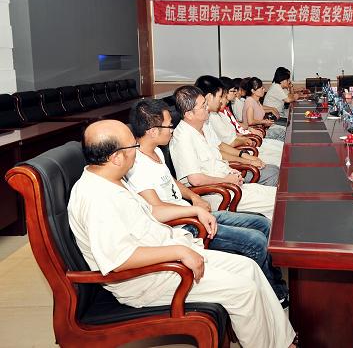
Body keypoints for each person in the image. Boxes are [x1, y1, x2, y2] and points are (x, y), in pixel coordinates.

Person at [68, 119, 296, 348]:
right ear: (116, 157)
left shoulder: (109, 179)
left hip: (169, 255)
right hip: (149, 279)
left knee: (249, 268)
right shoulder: (97, 199)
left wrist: (195, 209)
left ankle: (283, 342)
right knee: (244, 290)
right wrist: (179, 251)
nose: (137, 150)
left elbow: (151, 211)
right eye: (133, 146)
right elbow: (120, 259)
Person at [126, 99, 289, 305]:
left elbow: (172, 182)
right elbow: (155, 209)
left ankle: (276, 286)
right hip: (183, 225)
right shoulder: (137, 165)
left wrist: (194, 197)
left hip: (191, 212)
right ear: (152, 131)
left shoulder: (156, 151)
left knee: (262, 223)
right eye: (168, 126)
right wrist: (193, 210)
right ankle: (274, 295)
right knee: (255, 241)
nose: (172, 130)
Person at [169, 85, 277, 218]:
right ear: (189, 114)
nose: (207, 108)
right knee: (276, 203)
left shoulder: (204, 125)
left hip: (229, 183)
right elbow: (196, 180)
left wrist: (232, 172)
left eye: (206, 104)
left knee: (277, 194)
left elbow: (218, 152)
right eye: (203, 106)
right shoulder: (182, 138)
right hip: (215, 193)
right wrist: (226, 179)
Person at [194, 75, 279, 185]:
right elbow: (197, 179)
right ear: (209, 97)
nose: (221, 101)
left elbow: (219, 146)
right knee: (275, 171)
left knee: (275, 167)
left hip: (227, 168)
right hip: (223, 179)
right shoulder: (198, 126)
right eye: (221, 96)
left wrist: (245, 157)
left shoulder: (206, 122)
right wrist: (246, 160)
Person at [207, 76, 283, 167]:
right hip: (243, 147)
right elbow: (229, 142)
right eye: (233, 91)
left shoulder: (224, 111)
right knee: (279, 156)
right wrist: (246, 140)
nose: (236, 93)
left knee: (281, 148)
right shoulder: (213, 116)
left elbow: (234, 131)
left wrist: (248, 133)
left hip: (246, 142)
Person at [242, 77, 287, 142]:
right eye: (261, 88)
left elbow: (258, 114)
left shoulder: (256, 101)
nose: (264, 90)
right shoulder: (250, 101)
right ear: (253, 91)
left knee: (285, 130)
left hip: (261, 129)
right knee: (284, 132)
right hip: (256, 134)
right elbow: (250, 121)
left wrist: (266, 122)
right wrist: (264, 121)